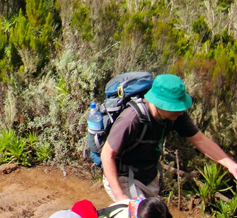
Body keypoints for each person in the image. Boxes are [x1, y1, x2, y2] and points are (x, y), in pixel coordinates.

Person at [101, 74, 237, 201]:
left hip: (148, 176)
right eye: (175, 108)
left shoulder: (175, 115)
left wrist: (230, 165)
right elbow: (107, 155)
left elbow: (200, 140)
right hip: (124, 176)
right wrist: (121, 197)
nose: (181, 112)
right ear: (159, 104)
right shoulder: (131, 119)